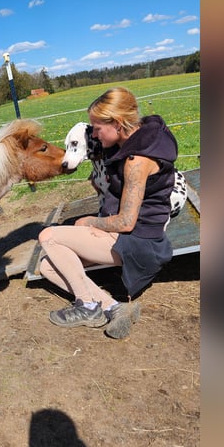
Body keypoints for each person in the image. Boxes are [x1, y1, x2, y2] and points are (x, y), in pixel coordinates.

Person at [38, 87, 177, 338]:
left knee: (48, 237)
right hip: (133, 236)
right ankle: (114, 307)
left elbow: (125, 221)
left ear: (117, 123)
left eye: (98, 127)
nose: (94, 134)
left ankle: (88, 306)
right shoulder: (133, 140)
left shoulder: (138, 160)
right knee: (47, 267)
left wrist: (89, 221)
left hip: (138, 241)